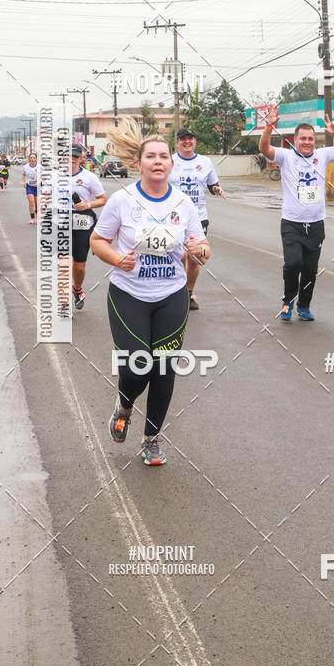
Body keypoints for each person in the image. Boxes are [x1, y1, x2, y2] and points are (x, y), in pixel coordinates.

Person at [90, 118, 210, 466]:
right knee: (138, 364)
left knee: (164, 368)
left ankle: (151, 439)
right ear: (139, 163)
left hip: (172, 295)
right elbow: (98, 241)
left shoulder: (184, 203)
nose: (158, 161)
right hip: (129, 295)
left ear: (172, 164)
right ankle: (124, 404)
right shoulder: (122, 200)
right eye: (151, 156)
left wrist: (198, 251)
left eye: (163, 156)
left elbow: (202, 248)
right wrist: (116, 258)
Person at [259, 109, 334, 321]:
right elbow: (263, 148)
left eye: (310, 139)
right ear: (295, 140)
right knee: (293, 263)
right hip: (292, 223)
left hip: (316, 224)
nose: (307, 142)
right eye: (303, 139)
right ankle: (287, 301)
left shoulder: (322, 155)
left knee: (310, 269)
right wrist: (268, 127)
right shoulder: (286, 156)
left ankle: (304, 305)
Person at [41, 143, 107, 309]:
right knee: (63, 262)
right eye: (68, 156)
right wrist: (43, 203)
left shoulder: (89, 177)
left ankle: (77, 289)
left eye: (75, 157)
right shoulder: (55, 176)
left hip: (82, 223)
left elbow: (103, 199)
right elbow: (44, 193)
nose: (71, 160)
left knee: (79, 267)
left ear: (80, 159)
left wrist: (88, 205)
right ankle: (64, 302)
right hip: (60, 222)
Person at [168, 126, 224, 309]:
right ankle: (174, 292)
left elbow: (212, 185)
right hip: (172, 217)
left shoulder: (205, 162)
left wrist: (216, 189)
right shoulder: (169, 161)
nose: (187, 141)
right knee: (179, 256)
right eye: (183, 138)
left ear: (195, 141)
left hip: (198, 217)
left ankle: (188, 292)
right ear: (177, 142)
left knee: (195, 258)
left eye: (190, 138)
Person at [21, 152, 38, 223]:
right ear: (29, 159)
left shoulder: (40, 167)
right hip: (29, 186)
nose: (32, 159)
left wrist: (38, 182)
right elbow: (23, 174)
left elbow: (44, 176)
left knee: (37, 203)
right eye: (31, 157)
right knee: (31, 202)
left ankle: (37, 212)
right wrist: (24, 182)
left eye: (34, 158)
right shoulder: (25, 167)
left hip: (37, 186)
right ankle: (32, 218)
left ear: (36, 159)